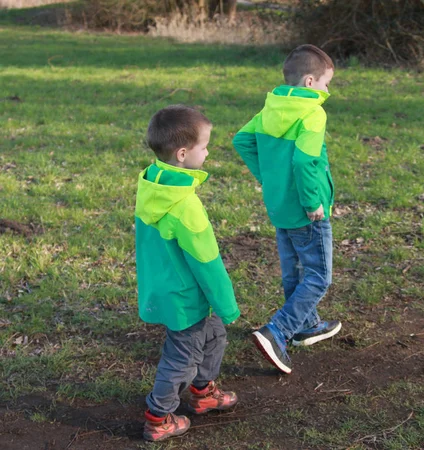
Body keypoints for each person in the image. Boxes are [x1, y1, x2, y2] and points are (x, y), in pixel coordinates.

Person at [233, 44, 341, 375]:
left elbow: (242, 140)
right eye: (325, 83)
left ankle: (306, 326)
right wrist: (312, 202)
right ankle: (276, 331)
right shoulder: (312, 113)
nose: (327, 90)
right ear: (309, 82)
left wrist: (269, 176)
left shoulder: (271, 108)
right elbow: (305, 161)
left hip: (279, 204)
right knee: (319, 276)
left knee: (293, 270)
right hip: (306, 210)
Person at [135, 105, 240, 441]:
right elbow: (208, 265)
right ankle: (158, 416)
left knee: (214, 337)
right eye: (205, 146)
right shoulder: (186, 207)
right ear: (183, 154)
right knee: (182, 358)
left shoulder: (154, 184)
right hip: (186, 297)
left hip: (163, 287)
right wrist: (227, 306)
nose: (208, 152)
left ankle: (203, 392)